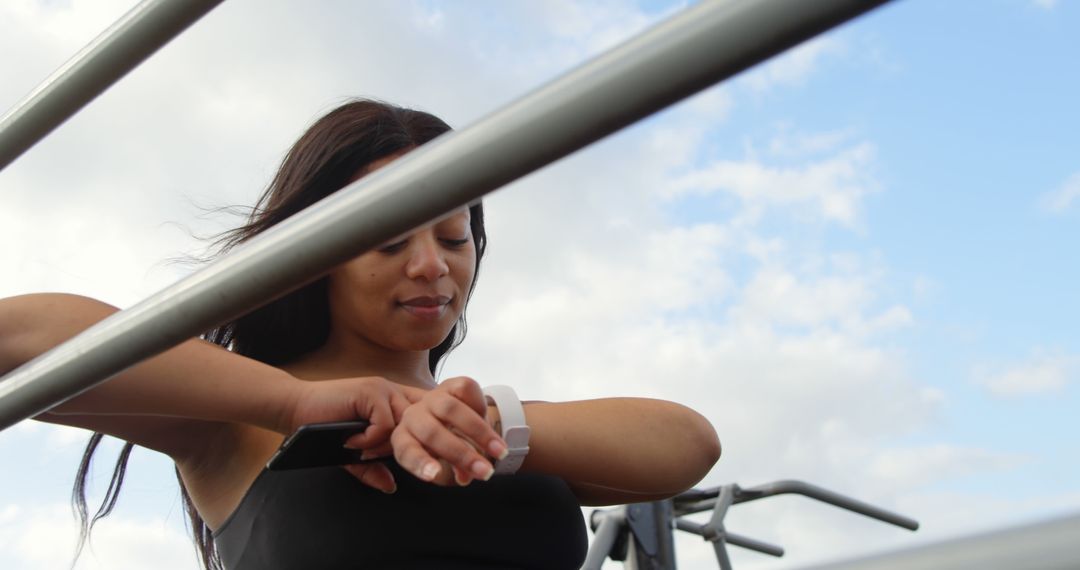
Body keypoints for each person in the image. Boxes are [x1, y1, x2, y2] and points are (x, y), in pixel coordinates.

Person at [0, 99, 721, 570]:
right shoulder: (235, 418)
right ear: (316, 253)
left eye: (454, 235)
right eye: (387, 241)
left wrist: (479, 423)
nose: (433, 265)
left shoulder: (491, 427)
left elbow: (689, 443)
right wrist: (290, 404)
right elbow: (16, 337)